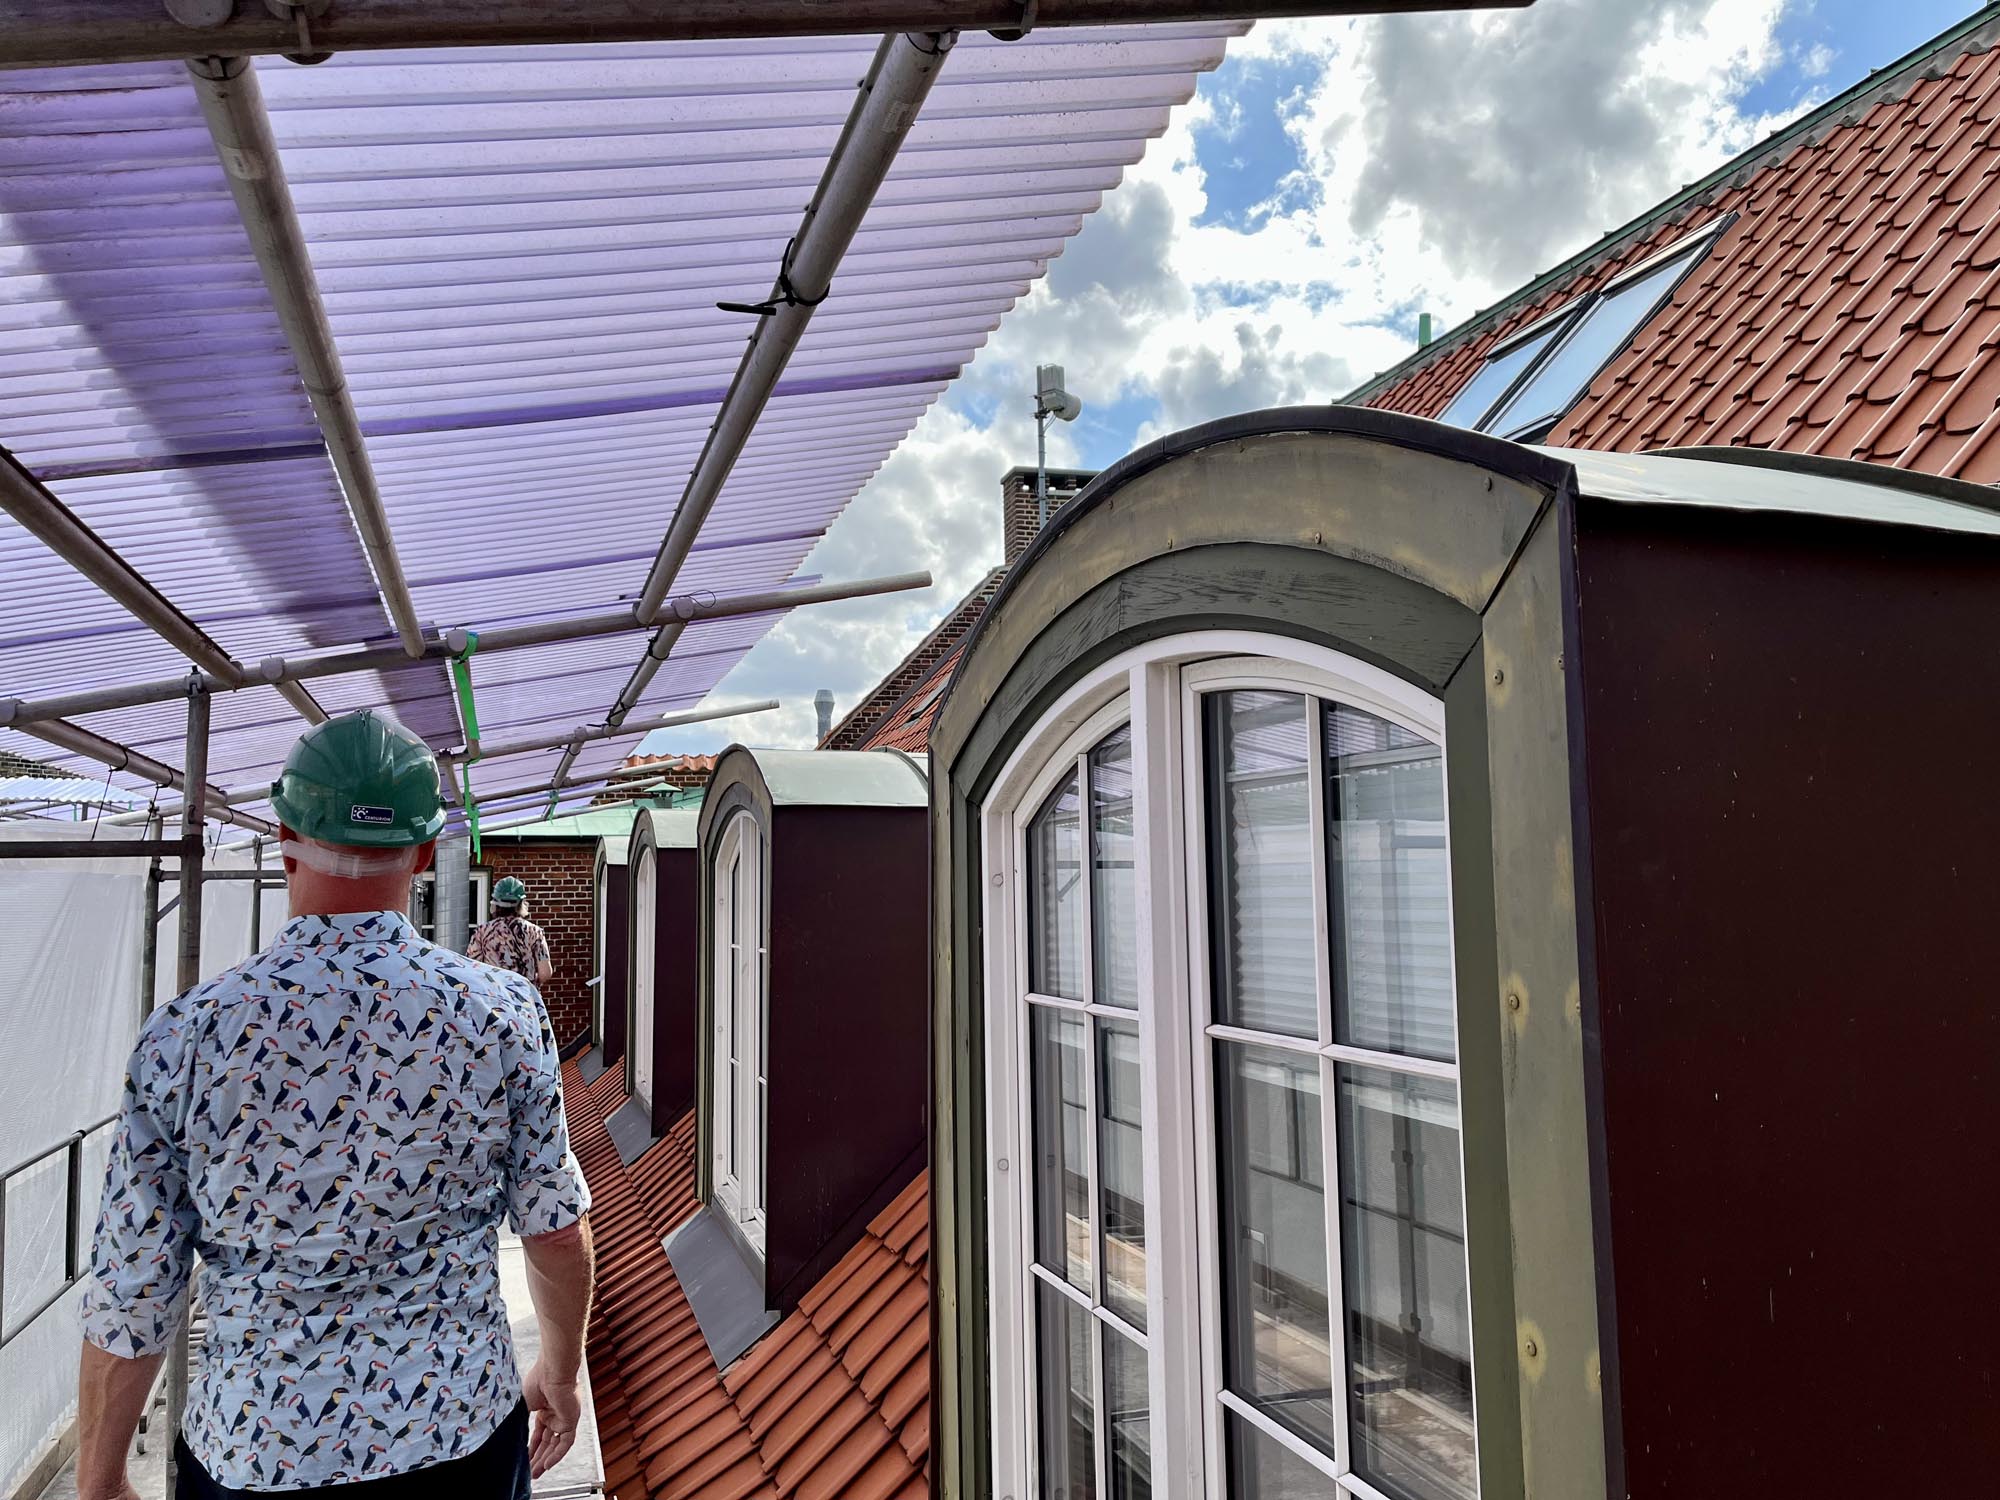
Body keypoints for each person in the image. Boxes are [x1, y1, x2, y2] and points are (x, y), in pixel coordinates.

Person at [74, 710, 595, 1500]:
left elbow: (134, 1288)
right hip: (456, 1435)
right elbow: (554, 1232)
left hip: (254, 1446)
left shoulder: (186, 1036)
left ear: (284, 835)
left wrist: (100, 1477)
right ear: (424, 853)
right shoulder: (503, 1014)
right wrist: (560, 1374)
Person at [467, 876, 554, 989]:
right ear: (522, 903)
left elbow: (472, 968)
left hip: (495, 998)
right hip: (526, 998)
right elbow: (545, 973)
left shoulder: (482, 931)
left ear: (495, 903)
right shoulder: (535, 931)